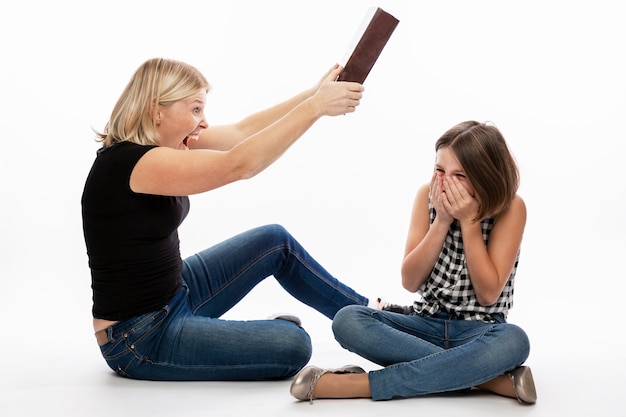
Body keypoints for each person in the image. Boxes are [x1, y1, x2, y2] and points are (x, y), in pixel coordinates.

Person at [81, 57, 380, 381]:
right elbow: (240, 164)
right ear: (157, 111)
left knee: (274, 241)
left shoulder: (161, 146)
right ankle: (259, 337)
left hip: (177, 291)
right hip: (140, 336)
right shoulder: (135, 163)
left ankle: (372, 320)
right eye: (196, 110)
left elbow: (243, 133)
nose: (204, 123)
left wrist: (314, 95)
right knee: (294, 345)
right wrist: (316, 108)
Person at [290, 120, 537, 404]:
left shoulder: (510, 208)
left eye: (460, 175)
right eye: (439, 171)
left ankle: (360, 385)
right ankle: (488, 380)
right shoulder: (426, 196)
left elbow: (488, 293)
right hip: (423, 326)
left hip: (479, 332)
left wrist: (470, 223)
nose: (445, 182)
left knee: (515, 341)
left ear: (485, 178)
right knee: (347, 319)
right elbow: (410, 281)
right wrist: (442, 221)